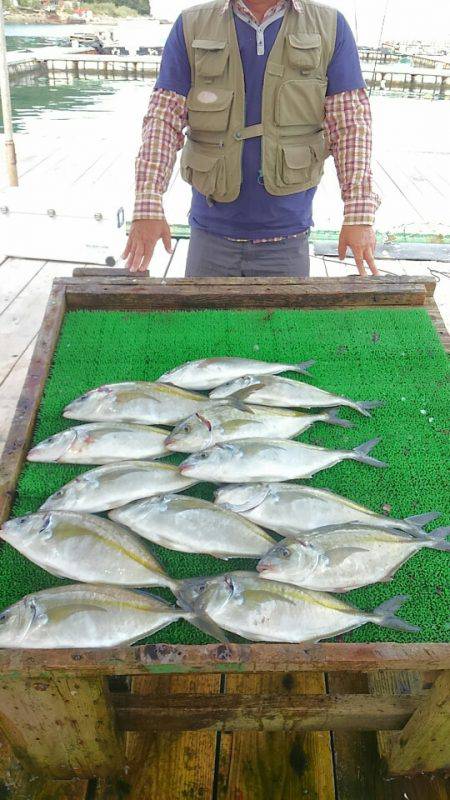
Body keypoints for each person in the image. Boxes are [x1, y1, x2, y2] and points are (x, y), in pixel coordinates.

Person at [124, 0, 381, 277]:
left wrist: (358, 214)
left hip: (289, 235)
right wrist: (148, 204)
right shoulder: (190, 24)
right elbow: (163, 119)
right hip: (209, 233)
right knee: (202, 308)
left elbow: (351, 126)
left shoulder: (330, 25)